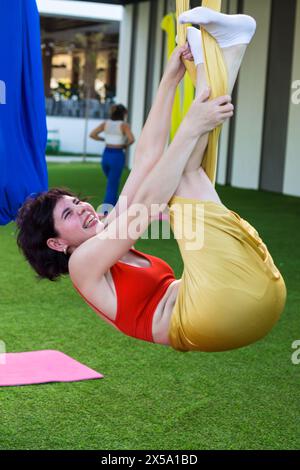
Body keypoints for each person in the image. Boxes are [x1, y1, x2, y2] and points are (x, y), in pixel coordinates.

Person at [16, 8, 286, 352]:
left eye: (75, 202)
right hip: (216, 312)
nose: (82, 207)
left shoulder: (109, 236)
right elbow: (146, 206)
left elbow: (144, 160)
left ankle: (231, 50)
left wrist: (170, 78)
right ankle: (223, 54)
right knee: (182, 177)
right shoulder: (83, 266)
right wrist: (190, 127)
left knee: (184, 172)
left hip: (254, 294)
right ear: (56, 243)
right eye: (68, 214)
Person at [89, 103, 135, 214]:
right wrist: (124, 145)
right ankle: (108, 211)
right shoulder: (124, 125)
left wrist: (104, 140)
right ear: (123, 114)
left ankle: (110, 208)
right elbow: (131, 139)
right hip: (117, 155)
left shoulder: (106, 123)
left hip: (106, 154)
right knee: (112, 183)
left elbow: (92, 134)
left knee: (111, 182)